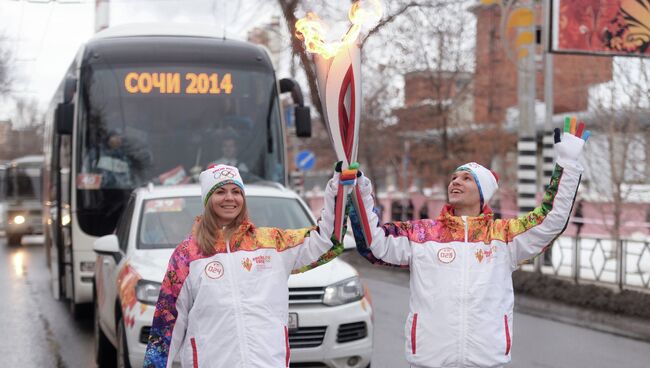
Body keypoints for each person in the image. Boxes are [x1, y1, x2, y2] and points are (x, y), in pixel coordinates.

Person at [350, 120, 590, 368]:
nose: (455, 182)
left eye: (466, 178)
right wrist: (358, 191)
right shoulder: (422, 234)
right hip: (430, 361)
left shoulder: (503, 237)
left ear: (483, 193)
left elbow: (550, 219)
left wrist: (567, 165)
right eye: (454, 178)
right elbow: (373, 243)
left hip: (485, 361)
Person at [143, 163, 353, 368]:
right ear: (207, 200)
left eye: (236, 191)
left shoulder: (272, 243)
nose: (229, 198)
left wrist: (339, 192)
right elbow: (167, 323)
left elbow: (328, 241)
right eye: (220, 192)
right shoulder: (187, 255)